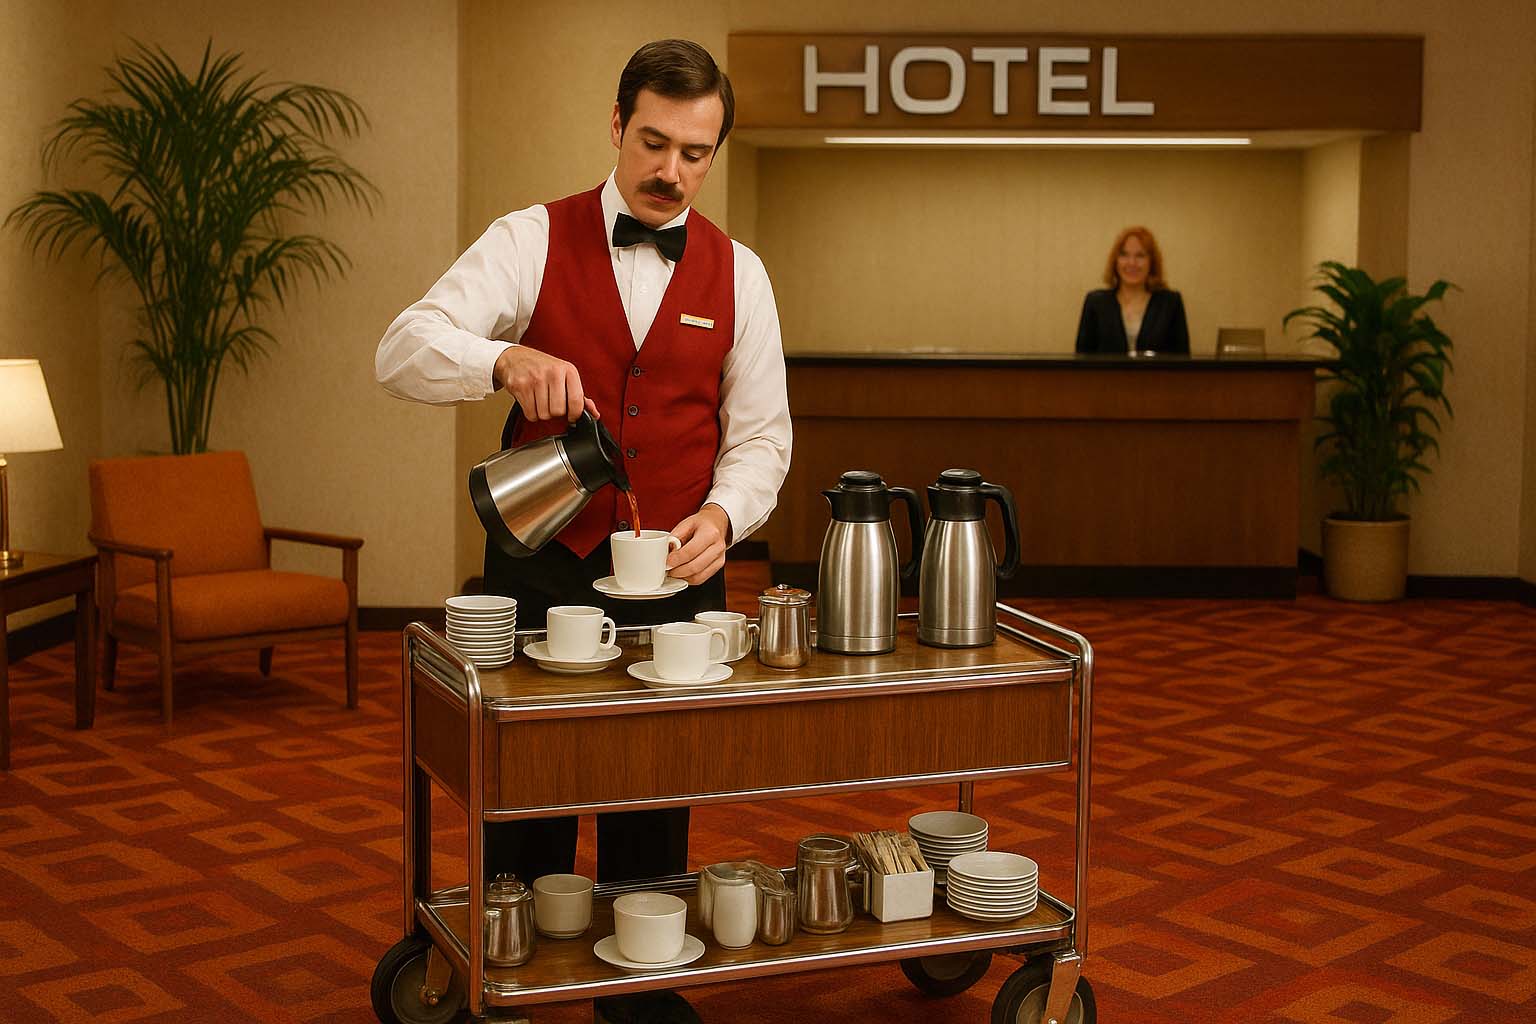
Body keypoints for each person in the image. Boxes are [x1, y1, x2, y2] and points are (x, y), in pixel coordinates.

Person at [376, 39, 791, 1023]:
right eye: (653, 142)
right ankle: (508, 967)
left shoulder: (741, 274)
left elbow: (763, 438)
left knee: (654, 783)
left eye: (695, 153)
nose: (670, 171)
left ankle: (641, 984)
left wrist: (725, 517)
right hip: (541, 562)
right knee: (528, 776)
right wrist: (502, 358)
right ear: (615, 126)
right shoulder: (531, 238)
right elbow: (401, 350)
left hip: (677, 570)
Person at [1074, 225, 1190, 355]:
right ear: (1115, 261)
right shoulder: (1095, 302)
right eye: (1124, 255)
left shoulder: (1170, 303)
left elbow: (1182, 360)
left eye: (1140, 256)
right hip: (1106, 376)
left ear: (1151, 262)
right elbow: (1082, 358)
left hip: (1157, 376)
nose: (1132, 263)